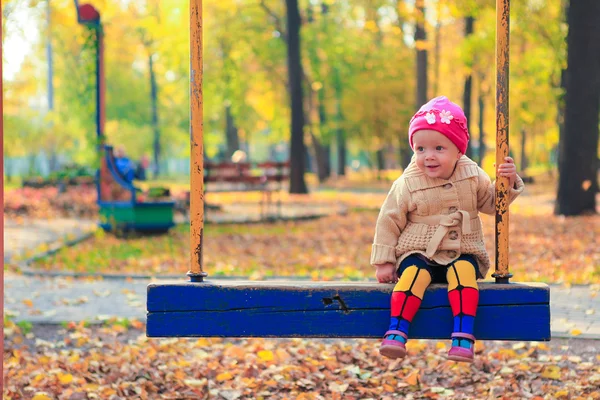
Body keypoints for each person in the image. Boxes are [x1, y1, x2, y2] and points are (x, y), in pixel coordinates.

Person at [371, 96, 524, 363]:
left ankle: (463, 336)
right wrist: (384, 261)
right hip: (418, 249)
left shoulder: (472, 174)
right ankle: (397, 330)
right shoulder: (407, 182)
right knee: (413, 276)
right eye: (420, 149)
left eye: (439, 148)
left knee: (464, 274)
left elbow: (491, 205)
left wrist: (507, 182)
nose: (428, 156)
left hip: (462, 248)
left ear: (459, 150)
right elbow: (388, 220)